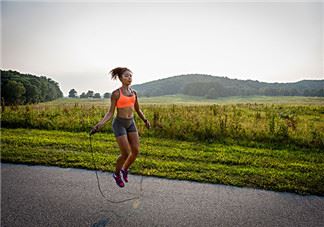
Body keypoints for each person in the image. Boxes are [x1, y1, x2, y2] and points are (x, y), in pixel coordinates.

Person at [90, 67, 151, 188]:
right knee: (126, 153)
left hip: (131, 122)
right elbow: (110, 113)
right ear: (120, 79)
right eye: (126, 76)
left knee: (136, 151)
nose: (129, 78)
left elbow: (137, 109)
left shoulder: (134, 93)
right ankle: (117, 174)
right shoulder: (116, 94)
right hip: (119, 124)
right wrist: (99, 125)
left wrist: (145, 120)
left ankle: (124, 169)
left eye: (130, 76)